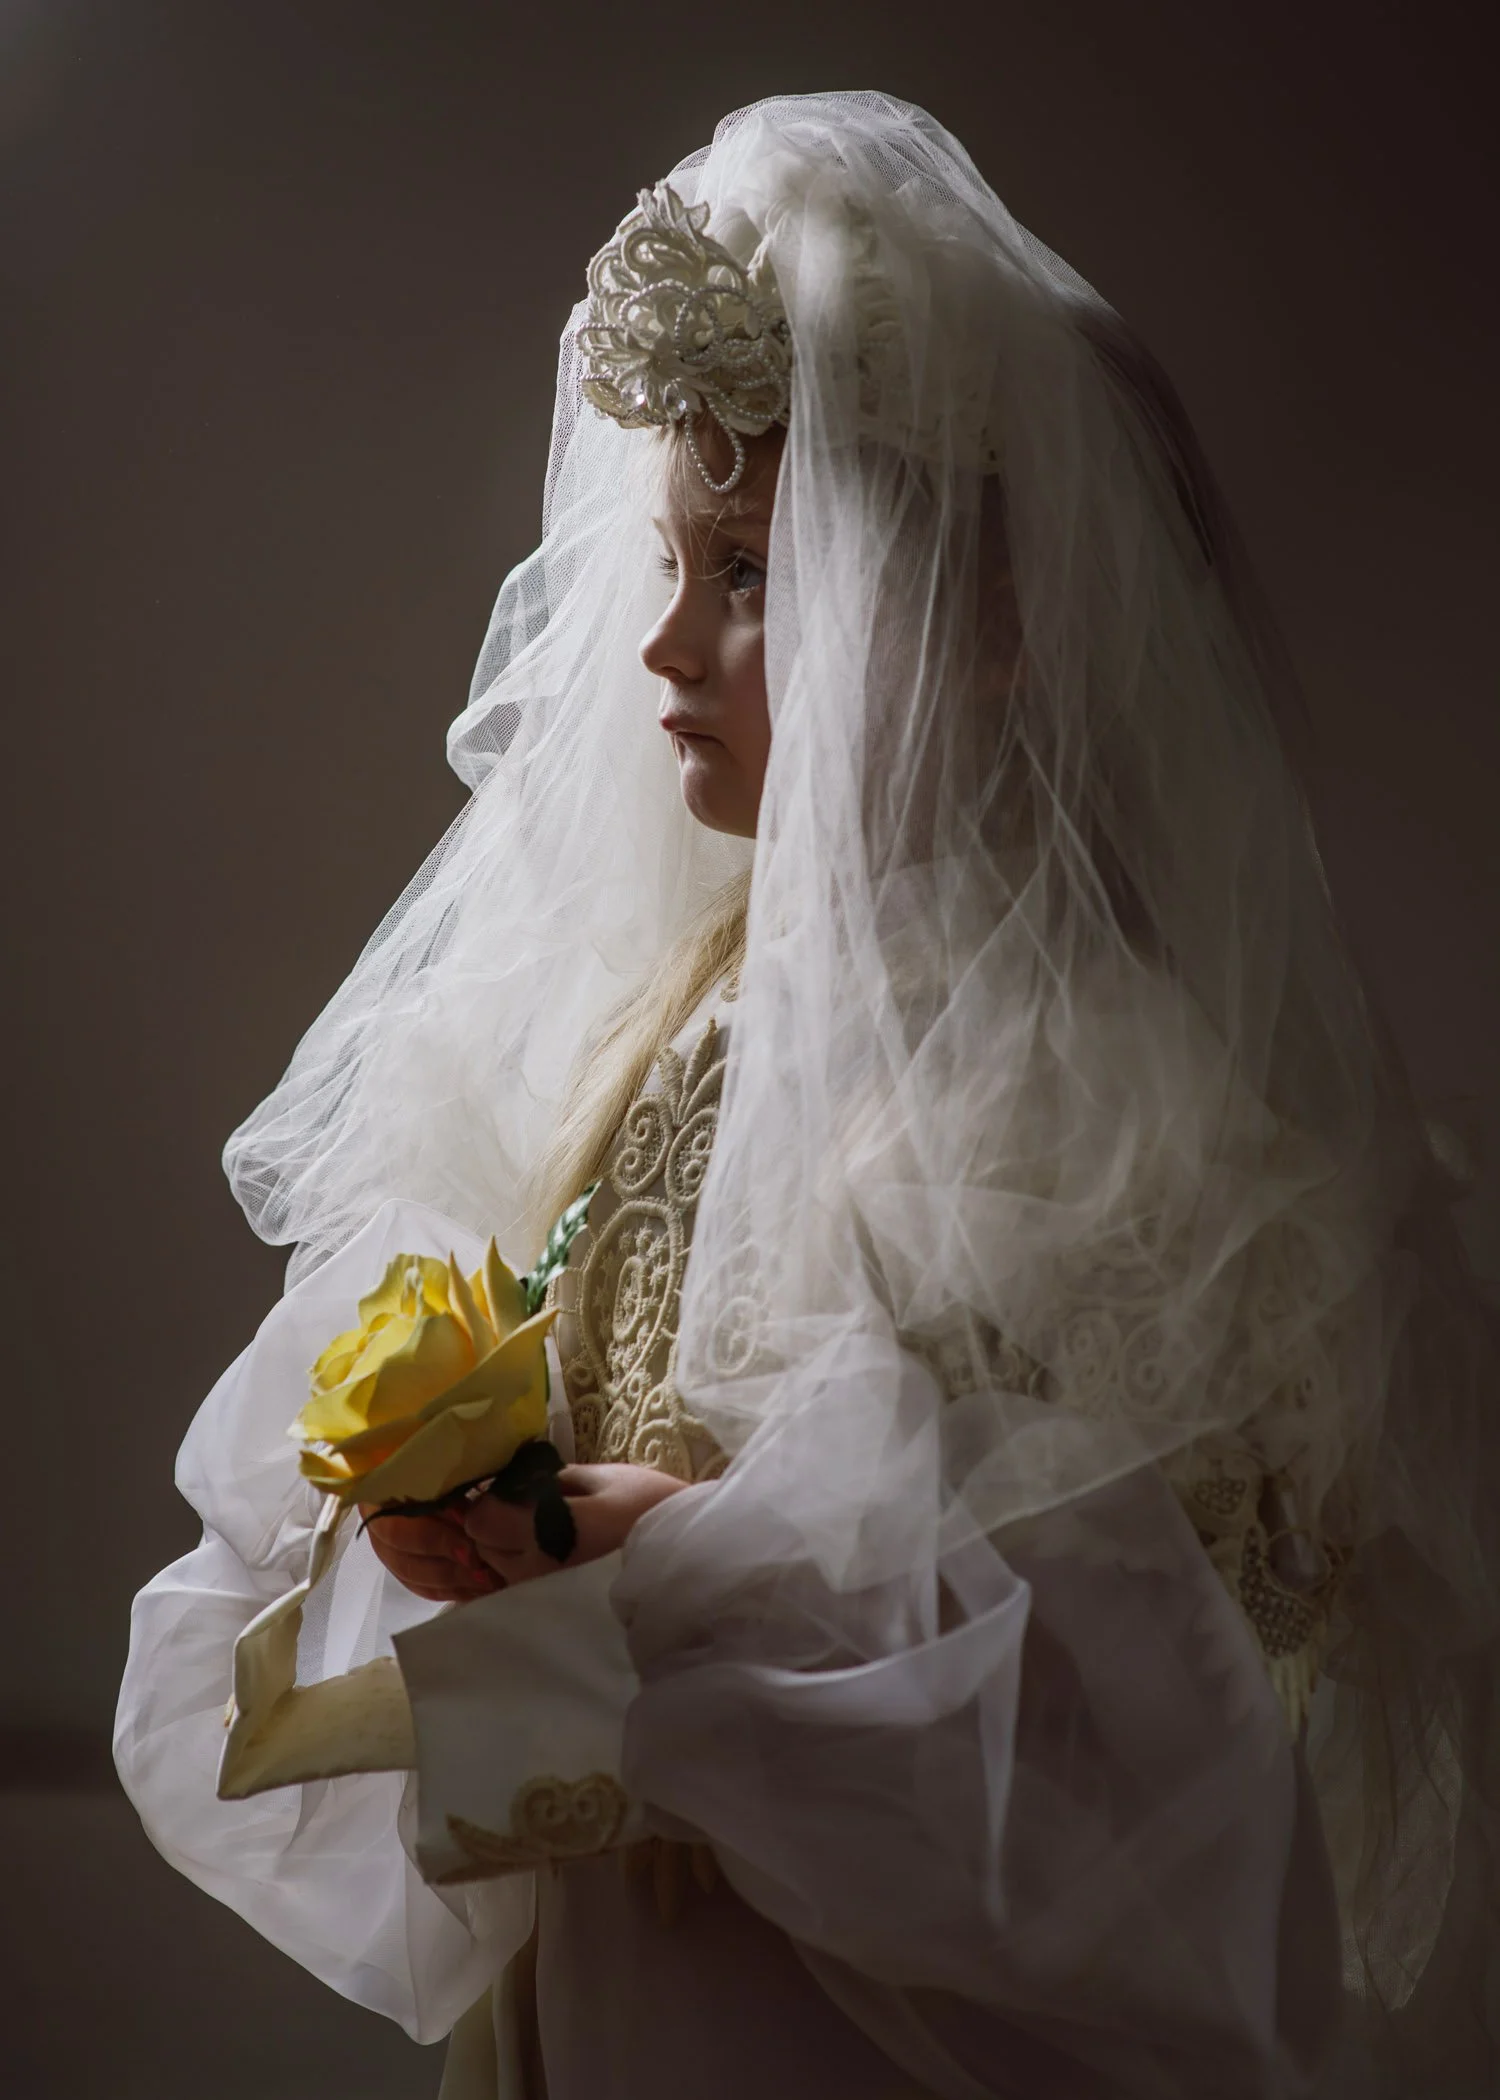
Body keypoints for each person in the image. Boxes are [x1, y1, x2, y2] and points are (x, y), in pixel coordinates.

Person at [115, 91, 1500, 2099]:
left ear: (1010, 621)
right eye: (672, 558)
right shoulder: (634, 1029)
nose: (666, 640)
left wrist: (641, 1590)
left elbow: (1142, 1741)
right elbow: (335, 1569)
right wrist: (451, 1546)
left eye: (754, 567)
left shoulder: (1100, 1111)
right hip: (596, 2008)